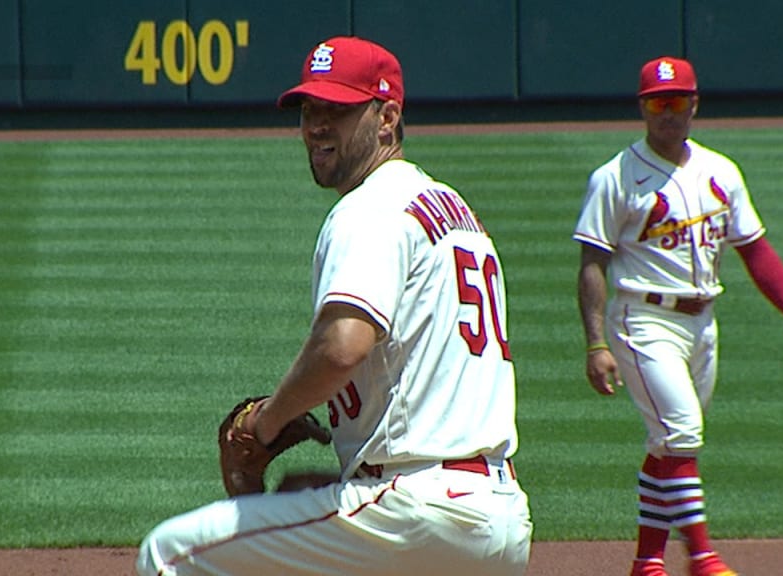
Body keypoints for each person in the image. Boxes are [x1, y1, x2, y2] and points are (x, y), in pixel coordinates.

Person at [136, 36, 532, 576]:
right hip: (497, 514)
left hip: (413, 510)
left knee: (169, 553)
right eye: (309, 109)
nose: (317, 125)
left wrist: (265, 423)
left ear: (387, 117)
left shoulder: (369, 207)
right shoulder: (456, 212)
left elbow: (342, 345)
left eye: (339, 110)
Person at [573, 56, 783, 576]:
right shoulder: (615, 178)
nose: (670, 113)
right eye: (659, 103)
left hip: (702, 322)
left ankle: (647, 563)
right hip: (642, 320)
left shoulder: (720, 170)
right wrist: (596, 343)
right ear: (643, 109)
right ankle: (704, 559)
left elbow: (755, 251)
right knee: (683, 431)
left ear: (695, 104)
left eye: (679, 101)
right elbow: (592, 262)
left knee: (668, 445)